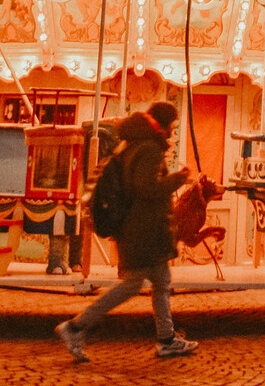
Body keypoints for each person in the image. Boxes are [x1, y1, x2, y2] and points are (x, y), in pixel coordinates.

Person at [55, 103, 198, 362]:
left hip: (140, 231)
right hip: (144, 232)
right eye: (172, 127)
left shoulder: (132, 144)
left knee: (161, 282)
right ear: (162, 125)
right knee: (131, 286)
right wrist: (179, 178)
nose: (172, 133)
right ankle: (75, 327)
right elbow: (146, 188)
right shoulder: (149, 149)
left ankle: (167, 339)